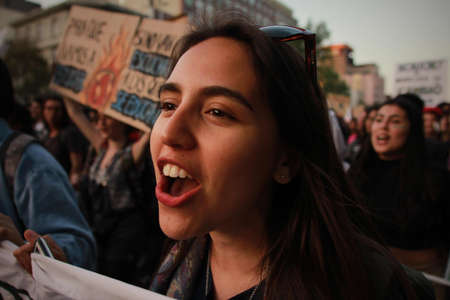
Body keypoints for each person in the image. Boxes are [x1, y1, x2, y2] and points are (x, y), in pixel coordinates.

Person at [148, 15, 427, 300]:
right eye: (168, 104)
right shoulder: (175, 265)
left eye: (218, 111)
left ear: (286, 159)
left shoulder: (367, 288)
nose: (170, 132)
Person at [349, 95, 450, 300]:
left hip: (424, 279)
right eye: (379, 119)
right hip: (366, 276)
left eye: (395, 121)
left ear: (411, 130)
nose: (383, 126)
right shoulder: (357, 172)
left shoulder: (434, 179)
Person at [0, 58, 96, 272]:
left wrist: (33, 251)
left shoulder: (29, 161)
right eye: (47, 108)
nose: (50, 112)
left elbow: (79, 247)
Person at [63, 99, 164, 287]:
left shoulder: (130, 154)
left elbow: (151, 127)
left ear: (121, 120)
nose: (101, 123)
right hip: (98, 229)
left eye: (107, 118)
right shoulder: (100, 146)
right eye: (98, 118)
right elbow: (75, 113)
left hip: (124, 237)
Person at [41, 93, 88, 186]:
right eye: (49, 108)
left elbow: (76, 164)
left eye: (57, 109)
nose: (53, 113)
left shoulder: (69, 134)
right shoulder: (46, 136)